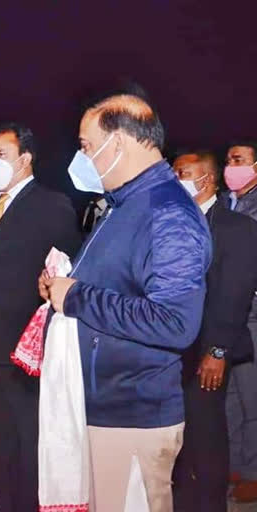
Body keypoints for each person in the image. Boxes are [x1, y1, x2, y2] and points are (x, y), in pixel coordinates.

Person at [40, 94, 211, 512]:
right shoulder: (124, 205)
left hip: (132, 415)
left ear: (115, 144)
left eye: (84, 145)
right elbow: (119, 285)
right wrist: (63, 287)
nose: (81, 156)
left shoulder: (167, 213)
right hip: (103, 406)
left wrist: (77, 296)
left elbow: (175, 322)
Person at [0, 123, 81, 512]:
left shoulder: (51, 204)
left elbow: (67, 271)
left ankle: (28, 504)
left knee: (27, 435)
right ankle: (7, 501)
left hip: (26, 345)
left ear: (25, 159)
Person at [171, 151, 257, 511]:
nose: (175, 179)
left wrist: (218, 350)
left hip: (208, 352)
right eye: (173, 172)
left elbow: (234, 295)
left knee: (207, 436)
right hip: (171, 349)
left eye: (183, 173)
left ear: (205, 179)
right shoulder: (171, 223)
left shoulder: (237, 228)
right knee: (179, 440)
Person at [222, 139, 257, 501]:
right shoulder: (225, 202)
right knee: (228, 395)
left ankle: (252, 471)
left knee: (252, 398)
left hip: (252, 313)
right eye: (229, 159)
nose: (231, 165)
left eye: (239, 159)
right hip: (227, 311)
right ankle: (231, 462)